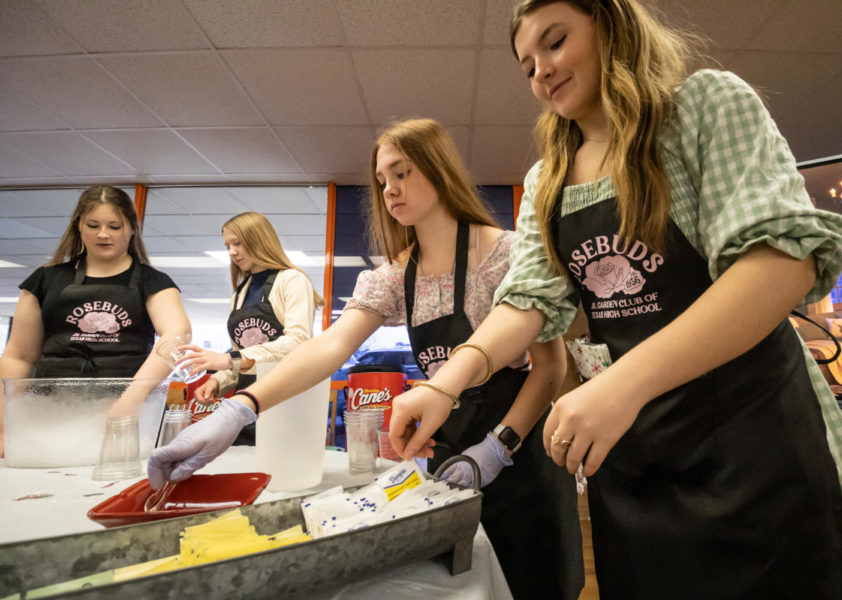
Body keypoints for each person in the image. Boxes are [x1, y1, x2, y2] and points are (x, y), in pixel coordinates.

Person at [387, 1, 842, 599]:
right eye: (527, 65)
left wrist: (622, 384)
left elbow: (779, 266)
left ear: (612, 24)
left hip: (754, 444)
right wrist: (444, 384)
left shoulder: (702, 109)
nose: (541, 71)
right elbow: (525, 301)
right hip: (636, 462)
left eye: (555, 43)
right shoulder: (548, 180)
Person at [150, 118, 584, 600]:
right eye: (382, 180)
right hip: (449, 460)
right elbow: (329, 346)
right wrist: (244, 405)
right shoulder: (396, 275)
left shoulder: (506, 253)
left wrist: (498, 448)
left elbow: (551, 369)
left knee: (536, 582)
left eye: (402, 173)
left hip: (520, 458)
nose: (390, 190)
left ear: (439, 170)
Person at [0, 184, 191, 456]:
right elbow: (18, 357)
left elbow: (177, 335)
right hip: (50, 415)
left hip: (129, 418)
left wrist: (128, 404)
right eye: (93, 225)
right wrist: (7, 428)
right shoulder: (44, 280)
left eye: (114, 226)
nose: (103, 234)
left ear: (132, 228)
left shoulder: (154, 282)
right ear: (79, 226)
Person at [177, 211, 324, 445]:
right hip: (245, 400)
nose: (232, 252)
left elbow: (298, 342)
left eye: (238, 243)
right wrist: (218, 381)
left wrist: (230, 359)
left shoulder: (292, 280)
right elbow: (242, 356)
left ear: (260, 240)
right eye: (227, 246)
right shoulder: (239, 294)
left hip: (284, 397)